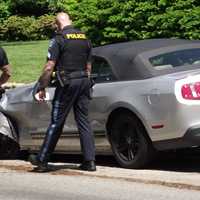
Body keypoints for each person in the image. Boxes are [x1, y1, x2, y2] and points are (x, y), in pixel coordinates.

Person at [29, 12, 96, 172]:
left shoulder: (58, 39)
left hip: (67, 83)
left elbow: (49, 66)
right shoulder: (84, 38)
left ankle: (42, 160)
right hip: (84, 82)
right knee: (84, 121)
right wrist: (86, 84)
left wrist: (42, 86)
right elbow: (88, 66)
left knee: (56, 121)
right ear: (70, 21)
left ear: (57, 25)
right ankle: (90, 161)